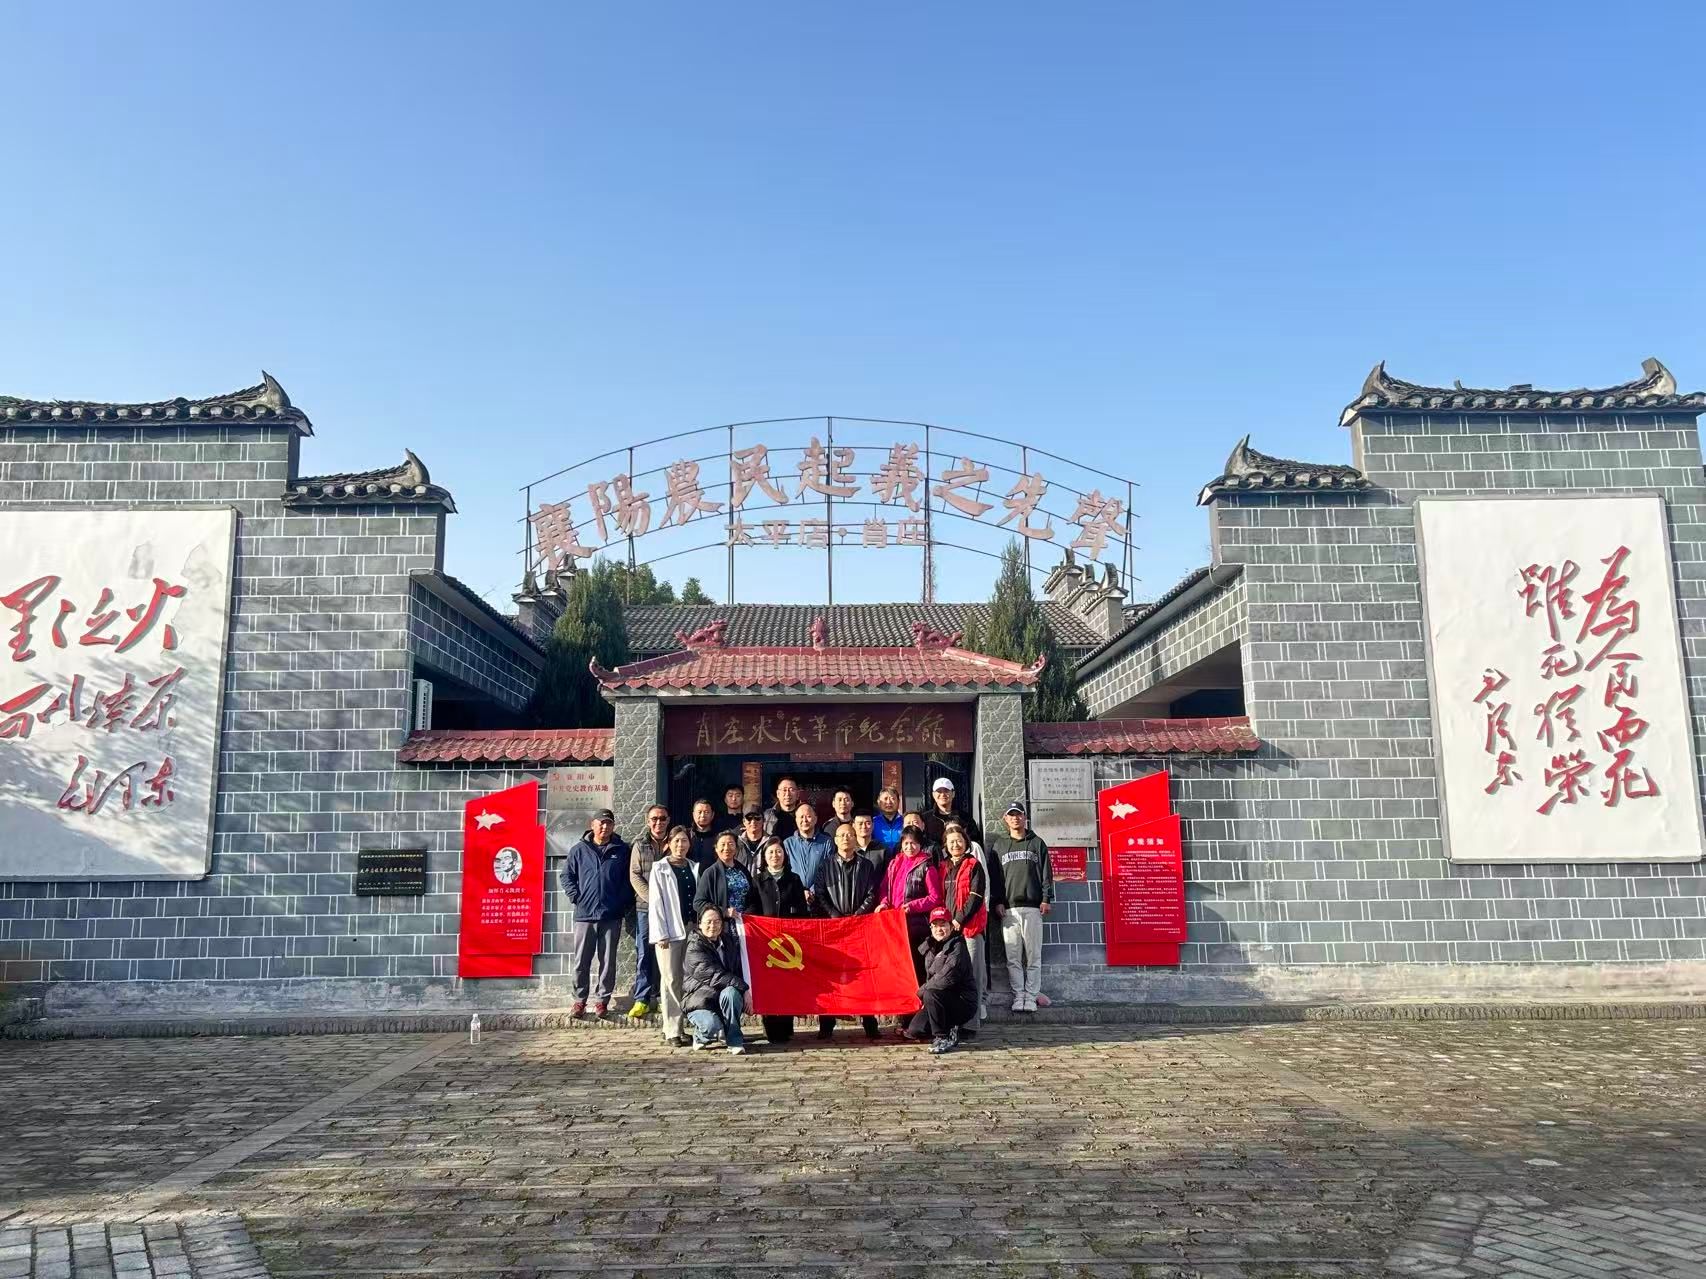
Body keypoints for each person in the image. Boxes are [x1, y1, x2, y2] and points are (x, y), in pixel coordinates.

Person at [561, 808, 633, 1017]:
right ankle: (579, 1001)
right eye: (601, 823)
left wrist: (621, 902)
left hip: (611, 915)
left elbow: (628, 880)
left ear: (613, 826)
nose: (605, 827)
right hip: (585, 915)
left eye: (609, 823)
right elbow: (566, 876)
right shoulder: (579, 850)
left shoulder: (622, 850)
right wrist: (576, 897)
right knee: (581, 961)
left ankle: (602, 1001)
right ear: (592, 825)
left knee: (608, 962)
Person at [813, 822, 881, 1040]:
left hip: (859, 927)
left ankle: (869, 1022)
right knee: (830, 977)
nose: (845, 838)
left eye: (849, 835)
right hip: (833, 928)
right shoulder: (825, 866)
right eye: (841, 835)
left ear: (855, 838)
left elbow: (872, 894)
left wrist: (857, 916)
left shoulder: (866, 865)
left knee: (863, 976)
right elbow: (820, 894)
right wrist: (834, 915)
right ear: (835, 840)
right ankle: (827, 1024)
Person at [990, 801, 1052, 1013]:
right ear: (1005, 819)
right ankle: (1019, 995)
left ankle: (1032, 996)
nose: (1015, 818)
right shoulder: (999, 845)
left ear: (1025, 817)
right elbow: (996, 877)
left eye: (1019, 814)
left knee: (1034, 956)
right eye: (1011, 815)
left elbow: (1046, 873)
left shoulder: (1037, 843)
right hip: (1009, 909)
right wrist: (997, 901)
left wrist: (1046, 898)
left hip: (1033, 907)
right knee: (1013, 957)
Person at [748, 837, 809, 1044]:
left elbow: (802, 911)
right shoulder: (757, 881)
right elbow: (751, 908)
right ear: (764, 857)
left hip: (789, 942)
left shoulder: (794, 879)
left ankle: (787, 1026)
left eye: (779, 852)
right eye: (771, 852)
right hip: (765, 942)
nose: (775, 856)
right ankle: (771, 1027)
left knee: (787, 985)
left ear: (785, 855)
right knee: (769, 985)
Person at [647, 825, 699, 1046]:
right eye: (676, 841)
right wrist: (661, 933)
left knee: (686, 978)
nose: (680, 845)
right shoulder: (660, 868)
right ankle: (672, 1030)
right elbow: (656, 903)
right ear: (668, 843)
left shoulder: (694, 867)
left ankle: (682, 1026)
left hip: (691, 929)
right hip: (669, 932)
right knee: (670, 978)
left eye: (684, 841)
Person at [904, 906, 977, 1053]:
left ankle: (942, 1037)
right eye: (935, 925)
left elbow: (945, 979)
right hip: (939, 999)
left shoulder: (958, 947)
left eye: (943, 925)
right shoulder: (929, 947)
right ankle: (950, 1028)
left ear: (951, 926)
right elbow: (929, 976)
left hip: (962, 1002)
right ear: (931, 928)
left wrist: (921, 993)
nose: (939, 929)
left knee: (930, 993)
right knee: (915, 1030)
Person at [940, 823, 988, 1036]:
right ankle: (953, 1021)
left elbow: (975, 896)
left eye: (959, 840)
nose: (955, 845)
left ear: (966, 842)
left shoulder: (973, 864)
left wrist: (959, 919)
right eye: (951, 842)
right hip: (949, 930)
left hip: (970, 927)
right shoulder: (943, 867)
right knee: (951, 977)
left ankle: (971, 1024)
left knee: (973, 977)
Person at [878, 828, 944, 983]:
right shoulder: (894, 864)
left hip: (916, 925)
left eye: (914, 843)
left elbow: (935, 898)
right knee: (897, 964)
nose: (909, 847)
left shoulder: (927, 867)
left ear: (920, 845)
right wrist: (884, 903)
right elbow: (884, 888)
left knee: (916, 964)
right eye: (906, 843)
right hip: (895, 924)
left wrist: (912, 906)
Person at [682, 903, 749, 1055]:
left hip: (723, 997)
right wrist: (744, 988)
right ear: (700, 924)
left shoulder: (729, 942)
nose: (713, 926)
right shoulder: (694, 947)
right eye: (709, 922)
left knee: (732, 993)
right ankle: (700, 1036)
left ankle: (735, 1040)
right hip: (701, 1000)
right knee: (712, 1026)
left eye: (717, 921)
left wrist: (743, 991)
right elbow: (715, 976)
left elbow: (737, 969)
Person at [626, 804, 670, 1020]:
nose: (658, 822)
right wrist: (653, 898)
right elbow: (635, 875)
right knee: (644, 952)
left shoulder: (675, 842)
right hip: (645, 908)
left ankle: (663, 997)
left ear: (668, 820)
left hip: (669, 909)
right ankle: (642, 998)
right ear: (647, 821)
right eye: (654, 819)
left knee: (667, 952)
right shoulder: (639, 845)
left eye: (662, 818)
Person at [693, 830, 754, 921]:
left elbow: (753, 898)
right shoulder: (710, 873)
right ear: (716, 848)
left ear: (736, 848)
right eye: (722, 844)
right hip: (721, 923)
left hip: (744, 923)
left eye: (730, 844)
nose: (726, 848)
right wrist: (723, 911)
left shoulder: (743, 870)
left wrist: (748, 913)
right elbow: (698, 903)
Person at [784, 801, 832, 908]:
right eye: (801, 817)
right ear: (796, 820)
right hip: (794, 900)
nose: (804, 820)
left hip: (820, 900)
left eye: (808, 816)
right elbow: (785, 872)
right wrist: (801, 891)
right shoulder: (788, 843)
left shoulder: (827, 842)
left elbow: (829, 870)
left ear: (815, 819)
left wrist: (812, 891)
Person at [923, 777, 982, 850]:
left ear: (953, 794)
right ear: (933, 795)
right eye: (939, 791)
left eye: (946, 791)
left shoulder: (965, 818)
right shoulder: (925, 818)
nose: (943, 794)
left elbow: (974, 840)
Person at [763, 776, 803, 842]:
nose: (787, 794)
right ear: (778, 794)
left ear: (798, 794)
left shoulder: (804, 815)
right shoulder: (767, 815)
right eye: (784, 790)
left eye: (791, 790)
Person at [687, 799, 721, 868]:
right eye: (699, 812)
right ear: (693, 814)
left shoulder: (719, 837)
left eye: (706, 812)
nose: (702, 815)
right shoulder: (686, 835)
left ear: (712, 815)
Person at [853, 812, 887, 879]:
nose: (864, 827)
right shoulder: (849, 849)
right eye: (860, 824)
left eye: (868, 823)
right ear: (853, 826)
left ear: (873, 825)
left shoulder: (882, 850)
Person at [872, 786, 906, 852]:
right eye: (885, 799)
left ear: (898, 802)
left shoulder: (905, 821)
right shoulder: (872, 822)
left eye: (892, 799)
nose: (889, 802)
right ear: (879, 802)